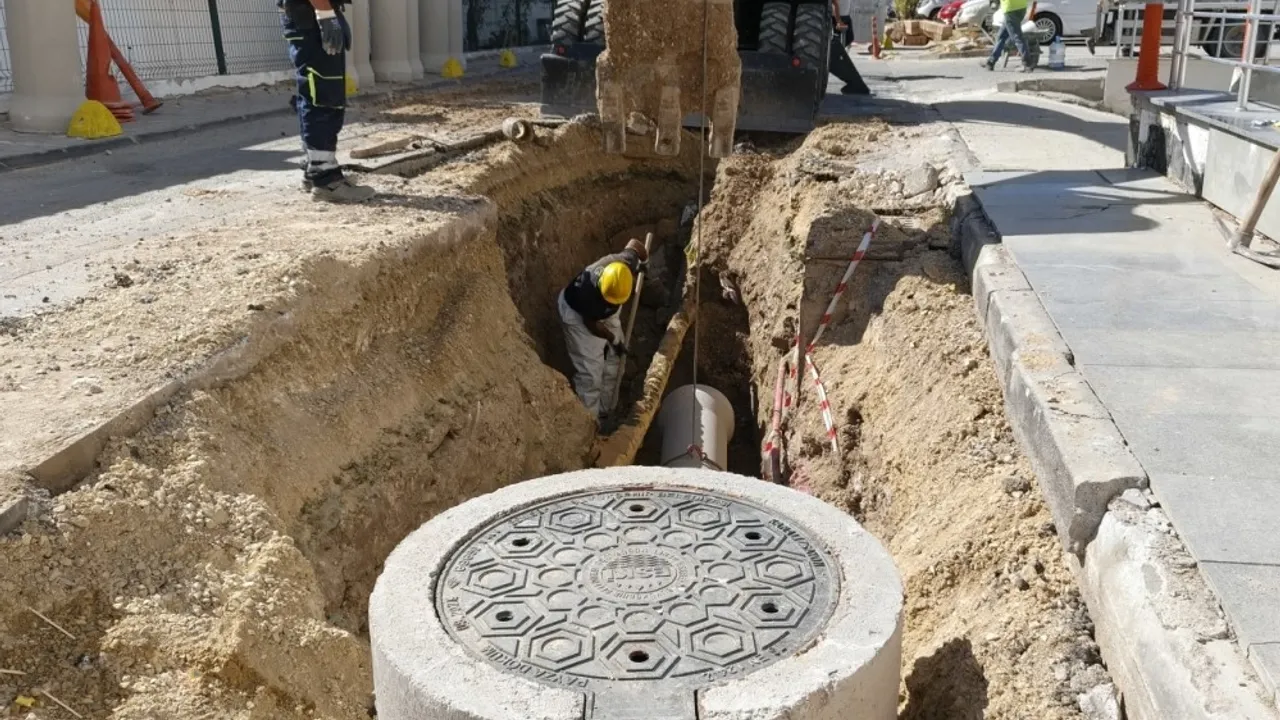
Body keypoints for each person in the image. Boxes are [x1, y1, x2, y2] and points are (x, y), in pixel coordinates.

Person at [278, 0, 376, 203]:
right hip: (311, 17)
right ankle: (326, 180)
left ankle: (315, 168)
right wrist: (325, 14)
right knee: (323, 97)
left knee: (315, 93)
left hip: (308, 16)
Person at [558, 239, 649, 423]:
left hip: (606, 311)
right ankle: (590, 424)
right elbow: (593, 325)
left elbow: (635, 245)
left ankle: (606, 409)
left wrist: (646, 265)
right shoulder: (588, 297)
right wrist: (614, 340)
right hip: (578, 318)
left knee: (617, 358)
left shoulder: (623, 265)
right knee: (591, 375)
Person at [983, 0, 1034, 72]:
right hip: (1021, 7)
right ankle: (991, 62)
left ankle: (1028, 64)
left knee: (1017, 37)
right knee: (1001, 36)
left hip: (1010, 9)